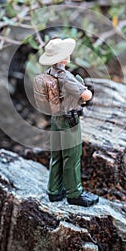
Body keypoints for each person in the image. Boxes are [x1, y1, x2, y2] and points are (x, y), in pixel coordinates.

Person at [39, 37, 99, 207]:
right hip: (69, 121)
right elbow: (86, 96)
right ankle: (74, 193)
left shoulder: (50, 73)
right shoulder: (66, 77)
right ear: (61, 58)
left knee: (56, 156)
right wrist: (84, 88)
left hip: (56, 118)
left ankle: (54, 191)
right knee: (72, 157)